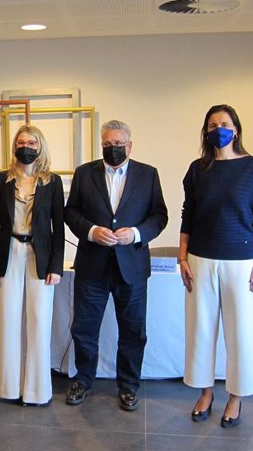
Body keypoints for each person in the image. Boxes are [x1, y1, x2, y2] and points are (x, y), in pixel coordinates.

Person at [64, 119, 167, 410]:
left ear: (130, 146)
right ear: (101, 144)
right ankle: (83, 380)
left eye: (119, 145)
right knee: (84, 328)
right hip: (92, 266)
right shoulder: (85, 173)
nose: (113, 149)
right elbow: (70, 212)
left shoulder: (148, 175)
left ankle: (129, 385)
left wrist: (135, 234)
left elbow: (159, 216)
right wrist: (91, 231)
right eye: (108, 144)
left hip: (131, 267)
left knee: (133, 331)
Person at [179, 104, 253, 428]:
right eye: (213, 124)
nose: (220, 128)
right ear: (206, 131)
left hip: (242, 261)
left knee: (240, 332)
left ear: (236, 128)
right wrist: (182, 257)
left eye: (225, 123)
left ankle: (236, 397)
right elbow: (187, 213)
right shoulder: (196, 169)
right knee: (201, 330)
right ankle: (205, 392)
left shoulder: (252, 167)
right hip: (201, 259)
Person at [0, 125, 65, 406]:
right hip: (9, 253)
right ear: (14, 146)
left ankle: (37, 390)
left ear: (40, 146)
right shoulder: (2, 180)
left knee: (39, 321)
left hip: (39, 257)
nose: (26, 146)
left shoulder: (52, 182)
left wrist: (57, 266)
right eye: (21, 142)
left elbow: (59, 229)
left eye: (32, 142)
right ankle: (8, 387)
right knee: (8, 320)